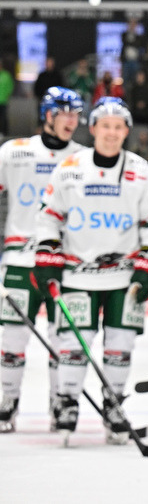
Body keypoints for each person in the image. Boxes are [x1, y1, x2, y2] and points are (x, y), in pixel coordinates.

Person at [36, 97, 148, 445]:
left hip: (124, 279)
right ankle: (66, 403)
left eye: (118, 127)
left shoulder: (142, 171)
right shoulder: (69, 167)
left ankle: (114, 403)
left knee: (120, 346)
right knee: (72, 346)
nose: (111, 133)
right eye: (105, 126)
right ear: (93, 128)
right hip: (77, 275)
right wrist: (47, 256)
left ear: (127, 131)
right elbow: (49, 215)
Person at [0, 88, 85, 433]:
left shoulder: (84, 158)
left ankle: (60, 403)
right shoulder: (14, 152)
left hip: (64, 264)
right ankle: (7, 402)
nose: (70, 120)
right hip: (21, 260)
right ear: (47, 116)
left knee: (62, 338)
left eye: (75, 114)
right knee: (11, 340)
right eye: (63, 113)